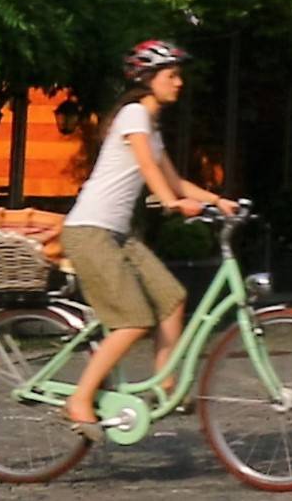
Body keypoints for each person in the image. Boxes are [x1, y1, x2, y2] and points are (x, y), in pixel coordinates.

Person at [61, 41, 231, 428]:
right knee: (133, 321)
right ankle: (79, 398)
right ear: (148, 79)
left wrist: (218, 201)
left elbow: (174, 179)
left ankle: (165, 383)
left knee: (172, 300)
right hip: (90, 231)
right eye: (172, 75)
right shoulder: (134, 114)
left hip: (116, 234)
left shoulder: (149, 126)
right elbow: (150, 172)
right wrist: (171, 203)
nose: (179, 82)